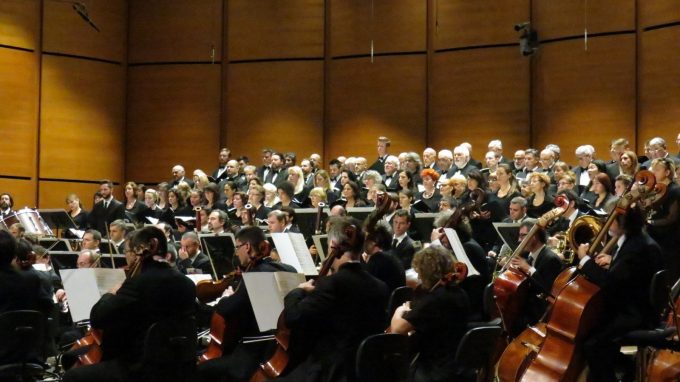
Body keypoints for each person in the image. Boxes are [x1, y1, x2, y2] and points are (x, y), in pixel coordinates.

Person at [62, 226, 196, 382]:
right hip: (179, 364)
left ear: (139, 253)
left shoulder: (137, 284)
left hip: (140, 367)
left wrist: (110, 293)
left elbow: (98, 318)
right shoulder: (187, 284)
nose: (128, 258)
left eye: (128, 252)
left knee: (73, 376)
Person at [277, 217, 389, 382]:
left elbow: (293, 316)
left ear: (333, 245)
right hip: (364, 371)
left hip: (329, 371)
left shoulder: (331, 284)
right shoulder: (381, 286)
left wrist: (298, 291)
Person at [196, 226, 296, 382]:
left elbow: (226, 309)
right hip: (281, 351)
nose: (236, 253)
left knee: (200, 369)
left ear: (247, 247)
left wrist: (226, 297)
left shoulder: (255, 275)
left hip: (253, 356)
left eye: (237, 247)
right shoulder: (290, 269)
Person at [578, 205, 662, 382]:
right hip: (634, 305)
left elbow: (610, 283)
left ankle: (618, 372)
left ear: (622, 223)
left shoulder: (635, 247)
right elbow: (626, 274)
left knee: (592, 344)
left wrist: (585, 260)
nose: (607, 223)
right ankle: (625, 367)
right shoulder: (637, 240)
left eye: (611, 219)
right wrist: (614, 263)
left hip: (635, 313)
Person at [390, 245, 470, 382]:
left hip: (434, 371)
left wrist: (400, 310)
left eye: (420, 272)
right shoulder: (460, 294)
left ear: (427, 272)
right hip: (457, 368)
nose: (419, 276)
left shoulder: (435, 300)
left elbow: (397, 329)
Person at [509, 218, 564, 329]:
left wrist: (528, 268)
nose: (519, 240)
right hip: (526, 306)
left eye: (523, 236)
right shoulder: (526, 255)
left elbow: (547, 289)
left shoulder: (551, 259)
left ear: (534, 237)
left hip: (538, 313)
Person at [363, 223, 406, 293]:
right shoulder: (393, 256)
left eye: (366, 239)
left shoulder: (377, 260)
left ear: (374, 242)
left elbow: (365, 287)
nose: (364, 243)